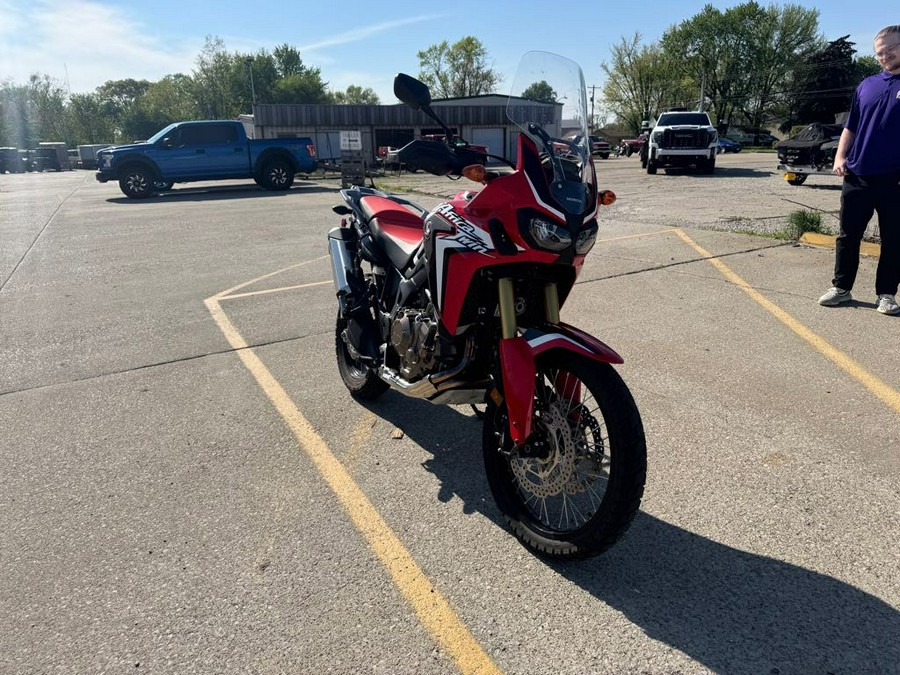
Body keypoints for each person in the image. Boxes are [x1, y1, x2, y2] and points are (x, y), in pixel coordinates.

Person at [819, 24, 900, 315]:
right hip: (857, 174)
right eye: (879, 52)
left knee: (894, 239)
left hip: (894, 179)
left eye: (890, 49)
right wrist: (840, 157)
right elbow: (850, 127)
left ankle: (886, 295)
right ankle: (841, 288)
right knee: (848, 235)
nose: (884, 56)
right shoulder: (867, 85)